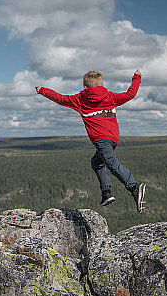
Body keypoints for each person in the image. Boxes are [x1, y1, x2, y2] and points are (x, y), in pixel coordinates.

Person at [35, 69, 146, 213]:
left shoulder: (79, 99)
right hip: (113, 139)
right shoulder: (111, 96)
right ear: (101, 85)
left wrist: (43, 90)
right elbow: (130, 94)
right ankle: (106, 193)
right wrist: (136, 78)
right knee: (96, 162)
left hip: (101, 140)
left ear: (85, 87)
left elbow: (60, 98)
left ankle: (134, 188)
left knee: (111, 163)